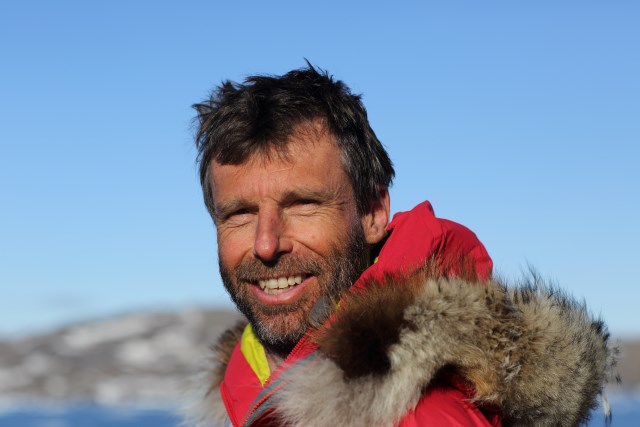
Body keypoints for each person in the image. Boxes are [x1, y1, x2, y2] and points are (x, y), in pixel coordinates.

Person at [187, 65, 614, 427]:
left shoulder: (425, 411)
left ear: (373, 213)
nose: (265, 244)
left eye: (303, 204)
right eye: (239, 213)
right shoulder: (240, 386)